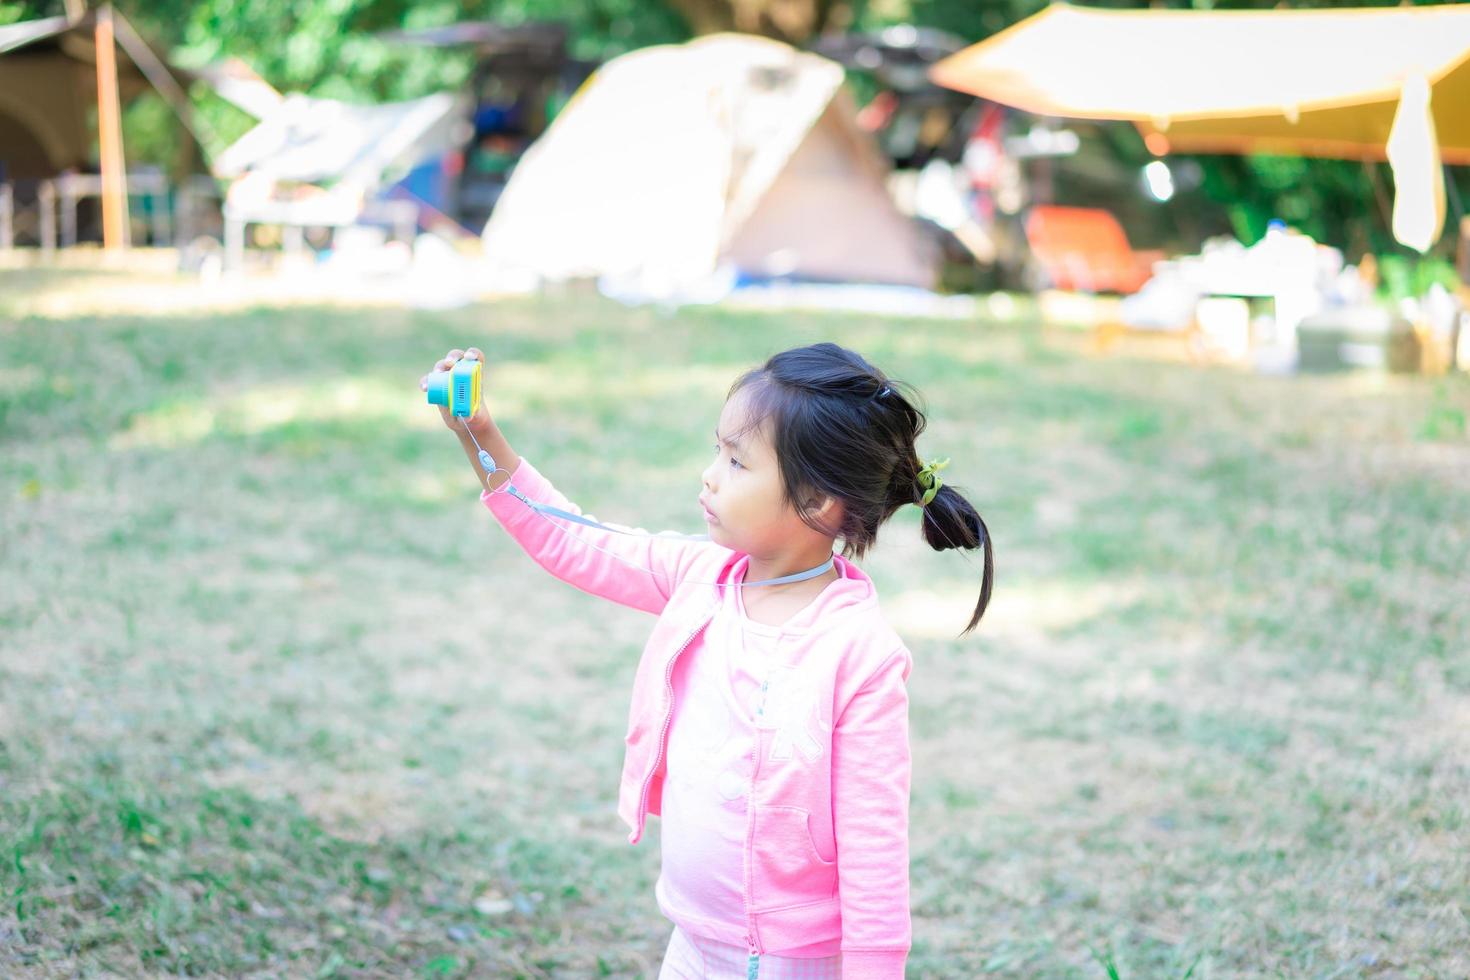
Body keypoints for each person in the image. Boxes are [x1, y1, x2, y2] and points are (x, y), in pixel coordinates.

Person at [421, 341, 994, 979]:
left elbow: (874, 849)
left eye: (737, 460)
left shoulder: (860, 656)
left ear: (821, 502)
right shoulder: (702, 577)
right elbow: (570, 536)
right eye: (718, 450)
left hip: (782, 962)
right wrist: (480, 435)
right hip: (693, 941)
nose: (710, 474)